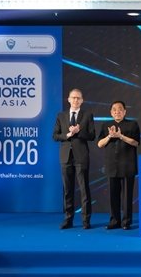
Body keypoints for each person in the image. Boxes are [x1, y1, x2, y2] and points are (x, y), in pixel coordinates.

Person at [52, 88, 95, 230]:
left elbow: (92, 135)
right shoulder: (61, 115)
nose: (76, 100)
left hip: (81, 156)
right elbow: (55, 136)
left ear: (82, 100)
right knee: (67, 189)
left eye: (78, 98)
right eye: (73, 97)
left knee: (84, 188)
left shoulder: (87, 115)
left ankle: (86, 220)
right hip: (66, 157)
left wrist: (79, 131)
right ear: (68, 99)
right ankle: (68, 219)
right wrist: (68, 135)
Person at [96, 101, 140, 230]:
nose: (117, 111)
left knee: (127, 196)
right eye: (114, 109)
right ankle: (114, 221)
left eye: (120, 109)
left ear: (125, 111)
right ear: (111, 112)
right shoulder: (106, 125)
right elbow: (100, 144)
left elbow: (136, 143)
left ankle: (126, 222)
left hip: (128, 165)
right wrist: (109, 136)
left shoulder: (132, 124)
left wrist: (121, 136)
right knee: (113, 196)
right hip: (111, 165)